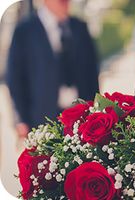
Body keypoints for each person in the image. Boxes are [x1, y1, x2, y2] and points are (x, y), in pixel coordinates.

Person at [6, 0, 99, 138]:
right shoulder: (24, 31)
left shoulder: (80, 27)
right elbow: (15, 78)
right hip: (41, 120)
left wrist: (95, 112)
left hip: (80, 120)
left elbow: (92, 74)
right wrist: (21, 119)